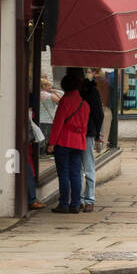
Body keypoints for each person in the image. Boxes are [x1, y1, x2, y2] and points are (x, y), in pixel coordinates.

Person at [46, 71, 90, 214]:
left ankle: (64, 203)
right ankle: (76, 204)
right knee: (76, 174)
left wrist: (51, 143)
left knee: (64, 174)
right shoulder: (85, 104)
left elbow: (58, 123)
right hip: (79, 142)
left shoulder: (65, 101)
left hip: (64, 141)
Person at [78, 69, 104, 213]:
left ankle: (87, 199)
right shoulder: (91, 92)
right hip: (85, 131)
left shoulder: (89, 93)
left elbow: (99, 114)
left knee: (85, 166)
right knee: (85, 166)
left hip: (86, 132)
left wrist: (96, 132)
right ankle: (85, 199)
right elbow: (99, 114)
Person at [37, 74, 62, 142]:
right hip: (48, 120)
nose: (50, 87)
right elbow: (62, 103)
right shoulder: (50, 96)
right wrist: (56, 93)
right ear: (44, 86)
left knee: (40, 139)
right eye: (49, 86)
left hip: (38, 119)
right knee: (47, 139)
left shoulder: (36, 94)